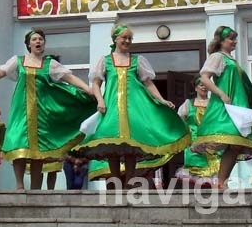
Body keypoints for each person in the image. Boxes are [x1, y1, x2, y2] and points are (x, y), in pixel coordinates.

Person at [73, 24, 191, 188]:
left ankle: (129, 182)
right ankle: (115, 181)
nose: (127, 41)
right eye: (124, 38)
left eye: (130, 38)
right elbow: (96, 84)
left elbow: (148, 83)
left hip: (133, 109)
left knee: (131, 146)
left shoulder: (137, 61)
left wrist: (161, 100)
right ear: (115, 39)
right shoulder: (106, 60)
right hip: (112, 108)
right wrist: (100, 100)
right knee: (112, 145)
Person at [0, 28, 96, 190]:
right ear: (28, 44)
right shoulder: (18, 61)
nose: (38, 41)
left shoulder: (50, 64)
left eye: (41, 39)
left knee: (39, 150)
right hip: (21, 110)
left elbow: (69, 78)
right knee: (18, 142)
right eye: (34, 39)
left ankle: (35, 189)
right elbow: (0, 72)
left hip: (42, 112)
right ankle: (19, 186)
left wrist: (88, 89)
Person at [191, 26, 252, 190]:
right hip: (224, 106)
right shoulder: (217, 56)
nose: (234, 41)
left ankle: (221, 182)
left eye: (234, 38)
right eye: (231, 38)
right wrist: (221, 94)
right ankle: (220, 181)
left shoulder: (232, 60)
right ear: (221, 41)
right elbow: (204, 77)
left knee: (236, 145)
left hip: (236, 106)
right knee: (228, 140)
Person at [175, 76, 221, 187]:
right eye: (201, 85)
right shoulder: (188, 104)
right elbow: (179, 123)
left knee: (215, 177)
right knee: (195, 178)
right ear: (196, 88)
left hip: (212, 144)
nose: (204, 87)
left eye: (206, 85)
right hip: (194, 145)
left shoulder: (213, 104)